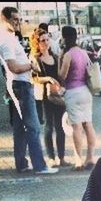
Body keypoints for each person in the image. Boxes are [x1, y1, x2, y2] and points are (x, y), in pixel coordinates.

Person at [0, 6, 58, 174]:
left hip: (18, 85)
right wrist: (31, 66)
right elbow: (14, 67)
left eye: (19, 19)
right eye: (14, 19)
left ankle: (21, 163)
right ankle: (40, 165)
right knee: (33, 126)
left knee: (19, 127)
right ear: (5, 20)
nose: (18, 22)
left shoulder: (9, 38)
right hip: (21, 85)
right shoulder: (6, 41)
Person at [58, 25, 97, 170]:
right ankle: (91, 157)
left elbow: (62, 76)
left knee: (77, 127)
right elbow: (88, 72)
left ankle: (78, 160)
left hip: (72, 92)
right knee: (88, 124)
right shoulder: (83, 53)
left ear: (64, 38)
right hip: (86, 91)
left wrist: (59, 60)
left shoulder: (68, 55)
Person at [31, 28, 69, 168]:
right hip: (45, 96)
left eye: (47, 40)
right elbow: (34, 79)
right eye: (42, 40)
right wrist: (48, 78)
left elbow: (61, 75)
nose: (46, 43)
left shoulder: (55, 56)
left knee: (61, 127)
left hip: (58, 95)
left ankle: (62, 157)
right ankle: (51, 158)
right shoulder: (36, 59)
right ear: (37, 42)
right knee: (49, 126)